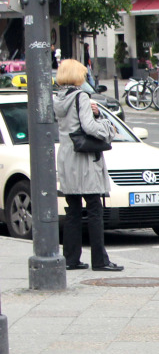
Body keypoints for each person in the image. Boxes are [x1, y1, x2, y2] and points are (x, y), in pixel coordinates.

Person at [54, 58, 122, 272]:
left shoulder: (58, 98)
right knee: (94, 209)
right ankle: (100, 260)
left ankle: (71, 258)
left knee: (73, 210)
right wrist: (106, 125)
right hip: (84, 159)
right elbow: (90, 127)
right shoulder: (81, 96)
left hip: (66, 157)